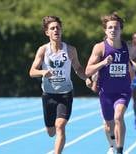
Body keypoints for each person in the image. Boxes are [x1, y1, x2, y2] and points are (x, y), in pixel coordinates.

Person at [85, 13, 136, 154]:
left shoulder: (129, 48)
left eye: (116, 27)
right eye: (110, 27)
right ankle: (112, 145)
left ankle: (120, 150)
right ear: (105, 30)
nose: (113, 30)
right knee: (108, 125)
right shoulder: (100, 48)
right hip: (106, 92)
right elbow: (88, 70)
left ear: (121, 30)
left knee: (118, 116)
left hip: (123, 91)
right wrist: (103, 62)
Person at [29, 16, 91, 154]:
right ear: (47, 33)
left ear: (61, 30)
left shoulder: (70, 50)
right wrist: (43, 72)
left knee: (60, 126)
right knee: (51, 132)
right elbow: (32, 72)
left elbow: (78, 69)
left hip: (65, 94)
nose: (56, 30)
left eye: (58, 27)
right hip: (48, 95)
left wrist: (86, 78)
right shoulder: (43, 50)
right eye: (52, 28)